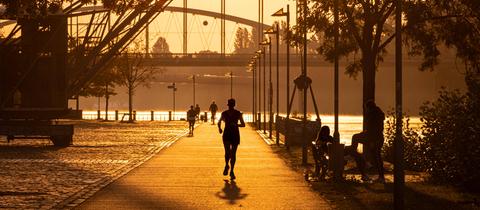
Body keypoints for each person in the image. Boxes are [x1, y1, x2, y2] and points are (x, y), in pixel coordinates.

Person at [349, 100, 386, 182]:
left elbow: (375, 130)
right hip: (372, 137)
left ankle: (381, 176)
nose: (365, 110)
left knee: (376, 157)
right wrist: (363, 133)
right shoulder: (376, 114)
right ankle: (357, 155)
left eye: (366, 108)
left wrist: (373, 141)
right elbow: (370, 129)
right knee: (376, 156)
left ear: (368, 108)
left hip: (375, 138)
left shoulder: (374, 115)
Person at [218, 98, 245, 180]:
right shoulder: (225, 113)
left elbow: (243, 124)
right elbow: (219, 121)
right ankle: (227, 165)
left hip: (234, 134)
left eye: (231, 105)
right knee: (228, 152)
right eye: (230, 105)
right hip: (227, 134)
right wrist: (219, 128)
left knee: (232, 153)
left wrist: (236, 125)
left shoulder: (238, 113)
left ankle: (232, 170)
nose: (230, 106)